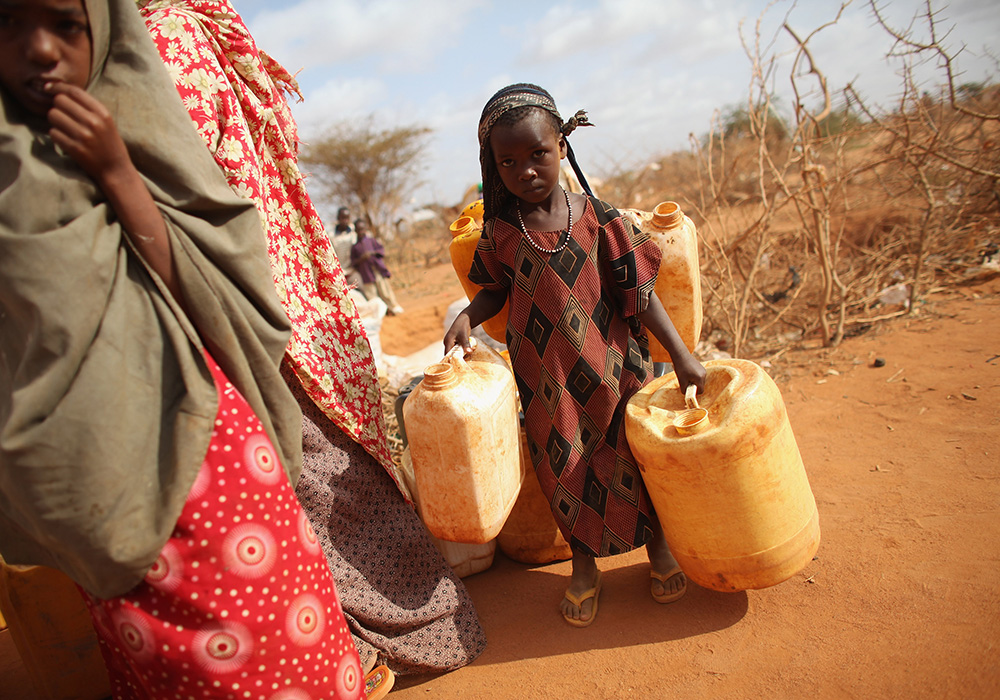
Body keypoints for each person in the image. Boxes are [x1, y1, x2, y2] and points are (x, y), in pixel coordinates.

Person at [0, 1, 366, 698]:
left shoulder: (136, 127)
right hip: (90, 493)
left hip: (206, 463)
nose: (39, 49)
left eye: (63, 24)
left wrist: (116, 172)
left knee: (278, 652)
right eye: (8, 23)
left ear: (103, 30)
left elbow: (213, 276)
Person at [136, 0, 486, 678]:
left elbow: (191, 191)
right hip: (275, 287)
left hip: (235, 297)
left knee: (302, 473)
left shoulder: (165, 39)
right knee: (320, 467)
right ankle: (378, 637)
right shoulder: (194, 28)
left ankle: (370, 642)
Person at [445, 84, 708, 627]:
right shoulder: (501, 231)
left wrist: (681, 356)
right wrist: (466, 317)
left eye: (538, 153)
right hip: (548, 382)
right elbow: (494, 289)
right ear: (494, 167)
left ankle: (658, 550)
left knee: (634, 460)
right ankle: (584, 567)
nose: (526, 170)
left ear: (563, 145)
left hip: (616, 370)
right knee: (564, 468)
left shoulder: (600, 218)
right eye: (508, 161)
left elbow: (642, 292)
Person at [351, 218, 405, 315]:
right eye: (358, 230)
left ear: (365, 229)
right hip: (366, 274)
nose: (361, 232)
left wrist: (372, 253)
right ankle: (381, 313)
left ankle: (394, 307)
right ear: (355, 231)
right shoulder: (355, 247)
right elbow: (353, 262)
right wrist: (362, 258)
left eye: (362, 229)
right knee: (372, 296)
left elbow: (381, 251)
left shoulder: (372, 241)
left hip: (377, 271)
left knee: (385, 291)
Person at [331, 206, 363, 288]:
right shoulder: (331, 235)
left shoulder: (354, 232)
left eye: (347, 218)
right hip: (338, 272)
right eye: (343, 218)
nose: (345, 220)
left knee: (360, 287)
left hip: (351, 271)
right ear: (338, 218)